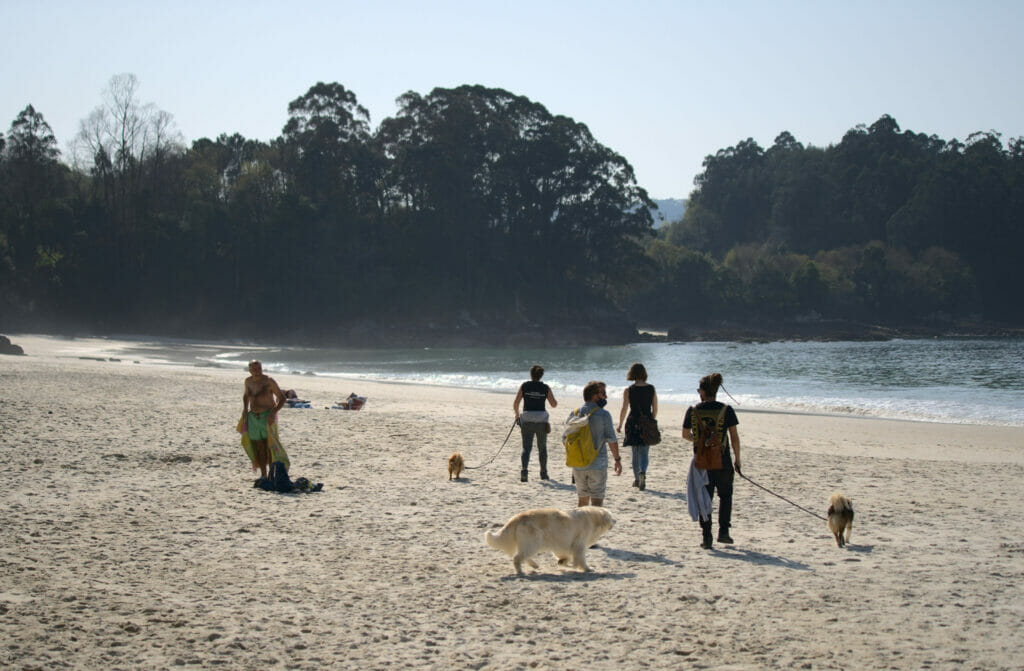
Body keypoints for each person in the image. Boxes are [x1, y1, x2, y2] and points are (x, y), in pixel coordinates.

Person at [682, 372, 741, 549]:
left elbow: (685, 435)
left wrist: (699, 442)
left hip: (702, 463)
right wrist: (738, 459)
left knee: (704, 497)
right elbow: (734, 437)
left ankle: (706, 536)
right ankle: (724, 532)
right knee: (725, 496)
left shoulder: (693, 411)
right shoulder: (726, 410)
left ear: (702, 391)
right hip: (722, 460)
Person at [567, 381, 622, 507]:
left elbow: (565, 439)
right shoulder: (604, 414)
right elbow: (612, 440)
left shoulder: (574, 413)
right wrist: (617, 460)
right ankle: (594, 527)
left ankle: (582, 526)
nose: (605, 397)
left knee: (582, 501)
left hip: (578, 464)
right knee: (597, 501)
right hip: (598, 464)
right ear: (594, 395)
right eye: (603, 394)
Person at [239, 360, 288, 478]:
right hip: (253, 418)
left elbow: (282, 399)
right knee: (259, 446)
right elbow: (246, 395)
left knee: (269, 446)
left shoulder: (268, 381)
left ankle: (271, 474)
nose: (257, 372)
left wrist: (273, 413)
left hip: (268, 417)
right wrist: (245, 409)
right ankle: (263, 474)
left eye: (259, 369)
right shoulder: (248, 381)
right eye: (254, 369)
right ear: (250, 370)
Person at [616, 362, 658, 491]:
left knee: (635, 452)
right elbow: (655, 408)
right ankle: (643, 472)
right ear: (644, 374)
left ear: (632, 374)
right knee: (645, 451)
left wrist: (620, 424)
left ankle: (636, 479)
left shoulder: (629, 390)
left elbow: (624, 408)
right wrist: (651, 420)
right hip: (646, 420)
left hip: (633, 421)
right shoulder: (651, 388)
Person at [513, 365, 558, 481]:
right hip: (541, 421)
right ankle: (543, 473)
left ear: (531, 374)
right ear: (541, 375)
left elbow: (516, 403)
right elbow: (553, 404)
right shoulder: (545, 387)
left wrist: (517, 415)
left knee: (526, 448)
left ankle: (524, 471)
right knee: (542, 448)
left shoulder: (525, 386)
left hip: (527, 419)